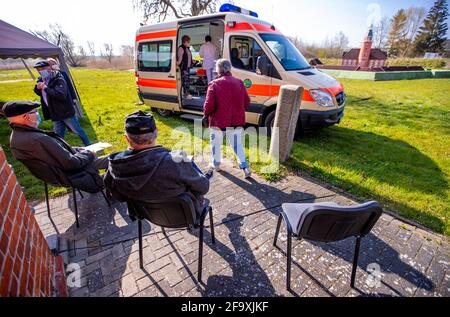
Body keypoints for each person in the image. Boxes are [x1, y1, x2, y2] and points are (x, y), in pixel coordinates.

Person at [104, 110, 211, 214]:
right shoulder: (176, 161)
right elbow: (204, 187)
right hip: (184, 214)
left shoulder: (115, 165)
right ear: (156, 132)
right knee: (192, 169)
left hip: (145, 214)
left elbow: (118, 196)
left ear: (127, 138)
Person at [2, 100, 107, 192]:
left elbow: (56, 152)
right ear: (26, 117)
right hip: (71, 173)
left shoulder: (16, 136)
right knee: (115, 160)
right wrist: (89, 153)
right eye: (35, 112)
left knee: (110, 159)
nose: (38, 114)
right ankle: (111, 184)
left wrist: (79, 149)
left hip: (56, 174)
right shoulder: (38, 139)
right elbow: (71, 162)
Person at [203, 59, 252, 179]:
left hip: (218, 121)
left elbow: (209, 105)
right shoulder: (240, 83)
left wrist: (205, 114)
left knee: (216, 144)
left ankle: (216, 165)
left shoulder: (214, 84)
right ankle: (245, 167)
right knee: (237, 144)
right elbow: (247, 101)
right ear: (229, 68)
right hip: (236, 120)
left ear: (218, 69)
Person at [33, 60, 91, 146]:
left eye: (42, 68)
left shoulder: (58, 77)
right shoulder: (41, 79)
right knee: (58, 135)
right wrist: (38, 88)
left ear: (49, 67)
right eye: (38, 69)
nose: (40, 70)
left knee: (78, 131)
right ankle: (61, 152)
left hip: (65, 111)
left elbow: (61, 94)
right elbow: (40, 93)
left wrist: (45, 88)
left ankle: (89, 146)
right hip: (55, 112)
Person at [177, 35, 193, 100]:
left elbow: (188, 58)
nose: (189, 42)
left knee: (187, 81)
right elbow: (180, 60)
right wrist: (176, 64)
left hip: (188, 68)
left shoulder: (187, 48)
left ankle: (187, 94)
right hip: (184, 68)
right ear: (185, 41)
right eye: (188, 41)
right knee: (185, 82)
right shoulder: (181, 48)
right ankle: (186, 95)